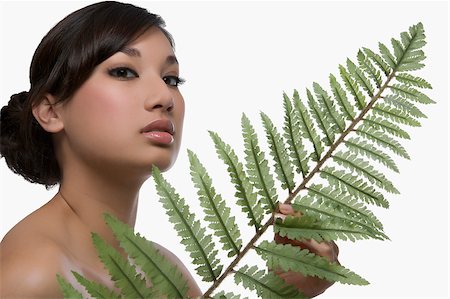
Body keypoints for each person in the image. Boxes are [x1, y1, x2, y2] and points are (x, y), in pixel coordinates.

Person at [0, 2, 339, 297]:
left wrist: (285, 291)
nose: (163, 98)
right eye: (123, 71)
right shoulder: (31, 275)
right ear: (51, 111)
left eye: (171, 79)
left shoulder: (164, 275)